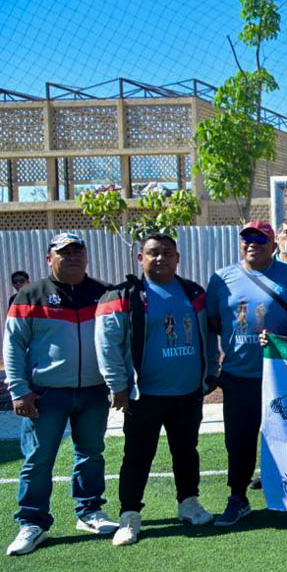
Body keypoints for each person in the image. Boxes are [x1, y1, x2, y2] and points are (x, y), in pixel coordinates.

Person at [96, 234, 215, 546]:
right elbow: (107, 344)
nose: (160, 258)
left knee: (186, 452)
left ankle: (189, 503)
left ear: (177, 258)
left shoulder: (193, 292)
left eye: (167, 252)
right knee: (137, 456)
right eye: (153, 253)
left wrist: (210, 373)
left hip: (187, 393)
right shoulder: (122, 294)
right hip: (143, 395)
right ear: (140, 258)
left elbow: (207, 335)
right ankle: (130, 516)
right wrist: (118, 385)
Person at [4, 234, 113, 556]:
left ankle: (90, 511)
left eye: (78, 251)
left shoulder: (104, 293)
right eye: (64, 252)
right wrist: (19, 390)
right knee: (38, 460)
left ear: (86, 256)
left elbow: (118, 339)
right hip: (46, 394)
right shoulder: (29, 295)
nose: (72, 257)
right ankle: (32, 522)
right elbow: (13, 346)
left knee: (91, 454)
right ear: (48, 258)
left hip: (93, 390)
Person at [206, 221, 287, 527]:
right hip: (240, 375)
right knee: (239, 440)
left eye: (261, 239)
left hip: (283, 376)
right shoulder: (222, 279)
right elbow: (214, 322)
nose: (253, 243)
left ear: (273, 245)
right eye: (247, 238)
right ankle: (237, 498)